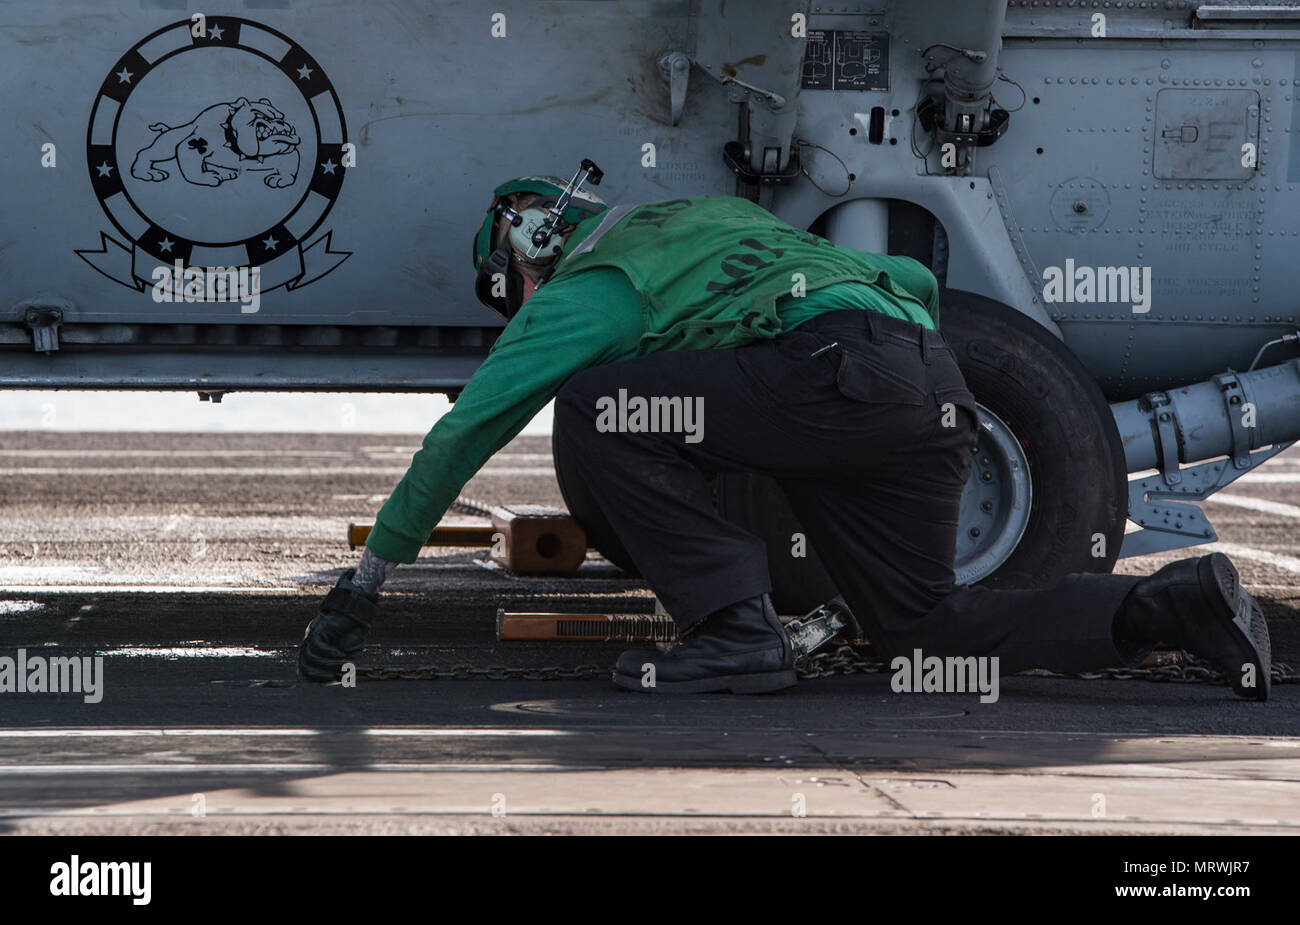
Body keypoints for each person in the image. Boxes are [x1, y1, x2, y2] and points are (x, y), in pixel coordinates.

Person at [297, 175, 1272, 700]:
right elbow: (910, 289)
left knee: (598, 406)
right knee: (922, 631)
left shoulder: (594, 288)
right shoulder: (705, 217)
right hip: (924, 377)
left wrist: (369, 577)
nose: (514, 306)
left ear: (524, 250)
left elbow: (473, 422)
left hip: (833, 376)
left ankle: (731, 635)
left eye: (506, 285)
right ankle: (1173, 607)